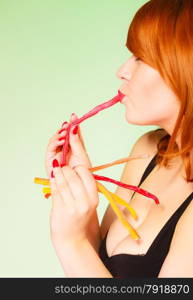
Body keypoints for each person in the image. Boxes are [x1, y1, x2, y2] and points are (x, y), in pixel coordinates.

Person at [45, 0, 193, 277]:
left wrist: (69, 242)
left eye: (141, 57)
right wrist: (79, 201)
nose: (122, 71)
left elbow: (80, 255)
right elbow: (98, 268)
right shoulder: (147, 151)